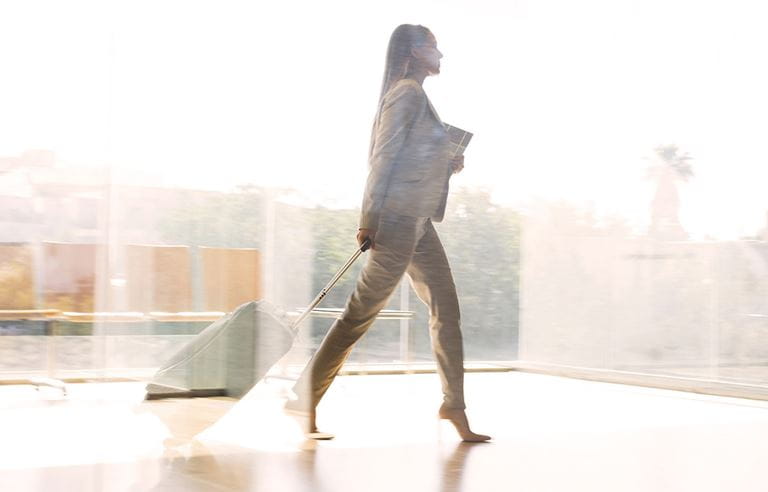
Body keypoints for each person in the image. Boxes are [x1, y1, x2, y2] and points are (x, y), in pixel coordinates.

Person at [286, 24, 490, 442]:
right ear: (414, 52)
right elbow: (383, 158)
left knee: (446, 311)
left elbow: (411, 159)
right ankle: (303, 398)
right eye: (434, 46)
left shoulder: (417, 96)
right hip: (396, 222)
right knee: (358, 316)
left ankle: (453, 405)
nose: (441, 54)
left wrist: (446, 164)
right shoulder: (406, 93)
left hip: (417, 223)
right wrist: (369, 219)